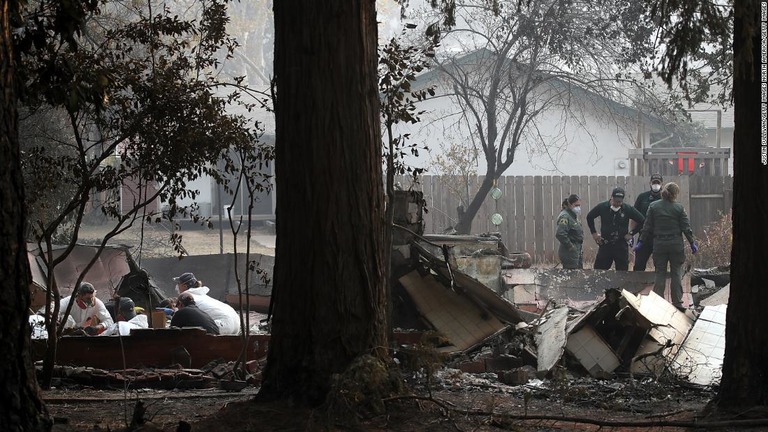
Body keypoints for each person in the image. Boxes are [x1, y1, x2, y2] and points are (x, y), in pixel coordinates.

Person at [635, 182, 698, 311]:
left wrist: (641, 242)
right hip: (675, 245)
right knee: (676, 273)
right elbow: (686, 227)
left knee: (660, 273)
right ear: (675, 194)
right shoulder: (679, 208)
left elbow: (646, 227)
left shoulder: (653, 207)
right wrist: (692, 243)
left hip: (659, 244)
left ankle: (658, 301)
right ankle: (677, 302)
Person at [586, 187, 645, 271]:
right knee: (599, 271)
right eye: (615, 201)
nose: (617, 204)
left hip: (621, 245)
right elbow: (589, 217)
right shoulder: (602, 207)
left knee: (622, 272)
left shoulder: (627, 209)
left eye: (619, 202)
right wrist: (594, 233)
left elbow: (642, 221)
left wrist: (631, 233)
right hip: (605, 244)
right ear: (611, 197)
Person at [173, 272, 241, 335]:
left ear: (184, 286)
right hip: (236, 324)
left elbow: (177, 315)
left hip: (222, 325)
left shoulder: (186, 296)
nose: (177, 286)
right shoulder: (202, 296)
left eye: (178, 284)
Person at [631, 173, 664, 271]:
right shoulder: (642, 197)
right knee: (639, 264)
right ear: (650, 183)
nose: (656, 185)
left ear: (662, 184)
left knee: (660, 265)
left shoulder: (665, 197)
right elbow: (634, 216)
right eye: (654, 182)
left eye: (658, 183)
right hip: (644, 236)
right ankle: (637, 285)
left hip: (660, 236)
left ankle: (658, 285)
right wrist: (631, 233)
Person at [555, 194, 584, 269]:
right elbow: (560, 234)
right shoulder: (565, 216)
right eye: (576, 205)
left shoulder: (573, 216)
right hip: (569, 253)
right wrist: (570, 246)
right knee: (571, 277)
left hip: (576, 251)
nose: (578, 208)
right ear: (570, 204)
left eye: (579, 205)